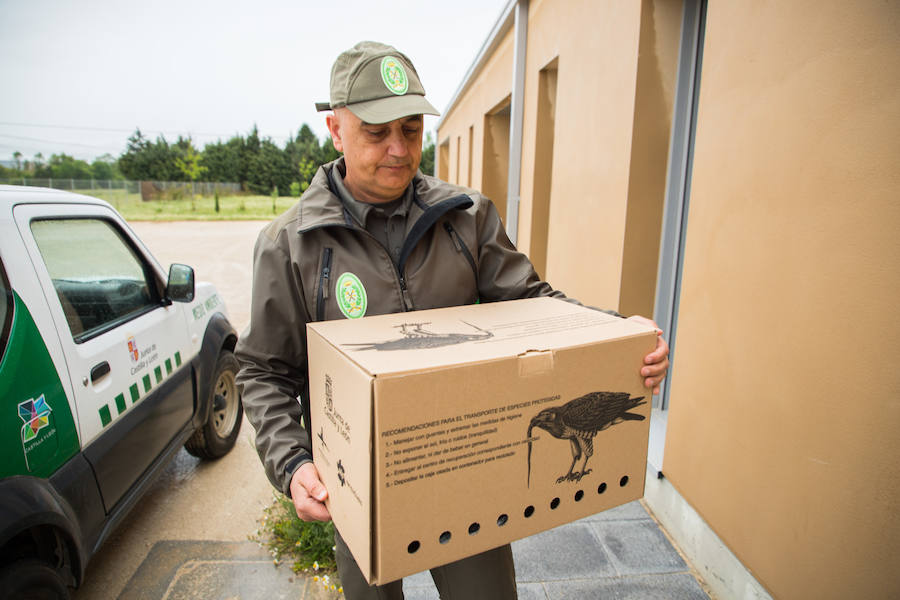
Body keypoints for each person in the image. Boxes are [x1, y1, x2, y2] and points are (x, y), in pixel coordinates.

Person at [235, 40, 670, 600]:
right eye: (377, 132)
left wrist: (619, 336)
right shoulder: (289, 245)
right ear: (336, 130)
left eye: (412, 129)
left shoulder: (468, 217)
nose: (399, 148)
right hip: (357, 487)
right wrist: (293, 462)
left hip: (466, 467)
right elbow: (263, 371)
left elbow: (537, 304)